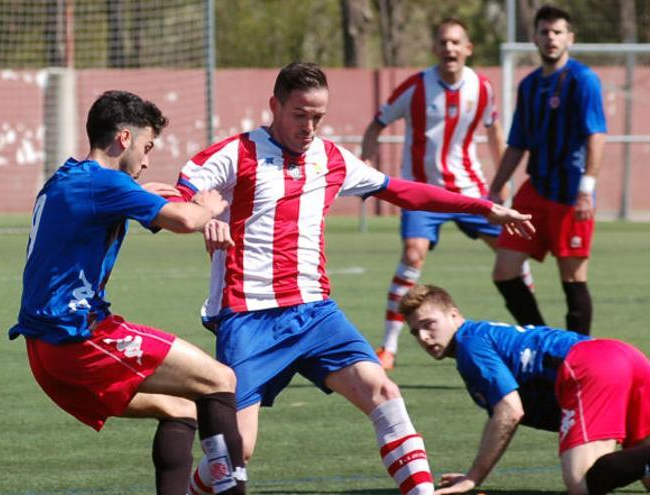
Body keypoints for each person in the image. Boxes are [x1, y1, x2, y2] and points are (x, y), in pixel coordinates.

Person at [175, 62, 534, 495]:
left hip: (315, 314)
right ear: (274, 106)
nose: (309, 127)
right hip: (249, 317)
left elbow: (404, 190)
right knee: (239, 451)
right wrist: (203, 217)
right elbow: (183, 189)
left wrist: (481, 207)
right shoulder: (237, 152)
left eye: (318, 117)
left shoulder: (331, 159)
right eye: (299, 114)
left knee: (382, 390)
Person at [8, 90, 247, 495]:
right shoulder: (104, 183)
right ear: (123, 139)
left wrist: (141, 194)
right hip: (76, 340)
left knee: (180, 407)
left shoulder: (67, 177)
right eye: (147, 146)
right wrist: (208, 206)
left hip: (44, 349)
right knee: (220, 378)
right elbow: (186, 220)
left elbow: (101, 205)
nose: (147, 159)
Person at [361, 18, 534, 370]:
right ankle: (389, 347)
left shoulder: (482, 87)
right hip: (422, 192)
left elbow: (495, 131)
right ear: (435, 48)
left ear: (468, 49)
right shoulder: (415, 87)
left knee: (512, 252)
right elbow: (377, 124)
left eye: (456, 42)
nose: (449, 48)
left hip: (470, 190)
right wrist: (365, 163)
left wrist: (502, 183)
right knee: (413, 254)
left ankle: (532, 331)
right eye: (443, 42)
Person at [400, 284, 650, 495]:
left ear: (454, 315)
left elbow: (510, 411)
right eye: (415, 332)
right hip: (625, 356)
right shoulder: (482, 335)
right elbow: (504, 412)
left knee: (580, 482)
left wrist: (472, 477)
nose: (423, 337)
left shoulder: (469, 343)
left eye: (428, 324)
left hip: (590, 364)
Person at [488, 5, 606, 336]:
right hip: (535, 189)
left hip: (571, 193)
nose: (551, 38)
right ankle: (542, 341)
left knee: (572, 277)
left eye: (557, 32)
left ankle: (576, 356)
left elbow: (596, 136)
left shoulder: (584, 80)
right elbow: (517, 143)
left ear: (570, 37)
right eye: (544, 32)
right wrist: (496, 186)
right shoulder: (528, 86)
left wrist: (587, 189)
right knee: (504, 271)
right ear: (535, 37)